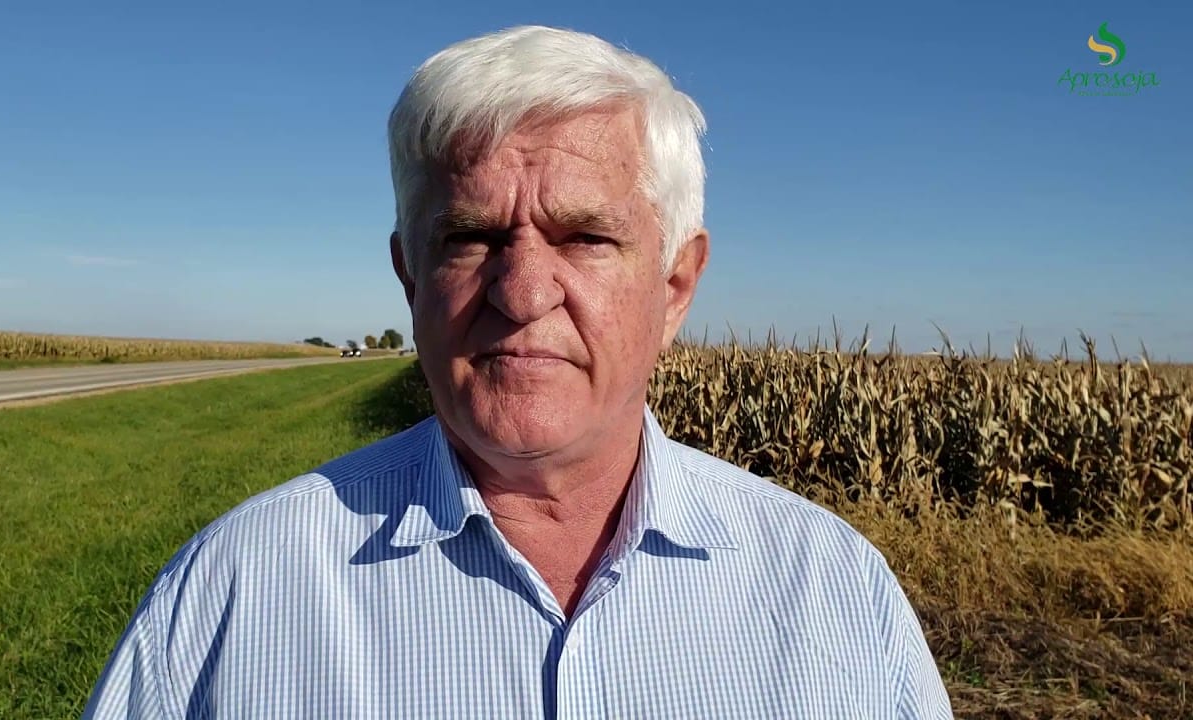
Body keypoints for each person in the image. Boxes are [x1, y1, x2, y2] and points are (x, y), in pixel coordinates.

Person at [83, 25, 952, 719]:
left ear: (675, 286)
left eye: (586, 237)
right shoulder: (235, 592)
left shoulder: (832, 592)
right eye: (470, 237)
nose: (524, 291)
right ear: (411, 277)